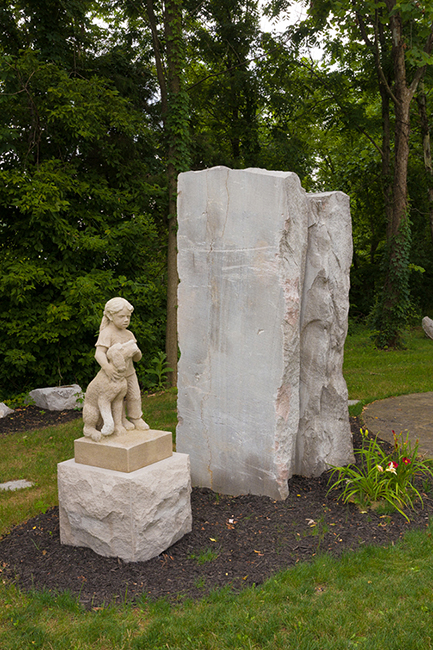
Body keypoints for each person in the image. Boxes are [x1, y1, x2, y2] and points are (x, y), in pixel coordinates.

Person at [95, 297, 149, 430]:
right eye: (121, 316)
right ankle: (121, 420)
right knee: (116, 398)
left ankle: (136, 418)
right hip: (114, 374)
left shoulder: (129, 334)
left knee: (134, 395)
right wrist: (107, 368)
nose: (126, 320)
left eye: (128, 317)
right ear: (110, 316)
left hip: (130, 373)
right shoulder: (107, 333)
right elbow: (99, 353)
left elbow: (137, 358)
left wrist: (136, 352)